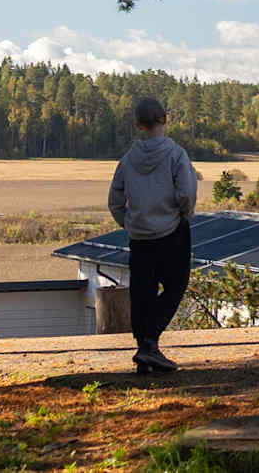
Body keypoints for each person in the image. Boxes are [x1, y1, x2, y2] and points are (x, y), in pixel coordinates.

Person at [108, 96, 198, 373]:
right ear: (165, 120)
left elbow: (114, 200)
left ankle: (145, 349)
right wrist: (183, 215)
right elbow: (187, 193)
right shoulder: (176, 155)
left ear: (138, 125)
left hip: (139, 237)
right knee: (175, 286)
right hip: (172, 232)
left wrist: (131, 223)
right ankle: (149, 343)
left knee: (142, 292)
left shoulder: (126, 160)